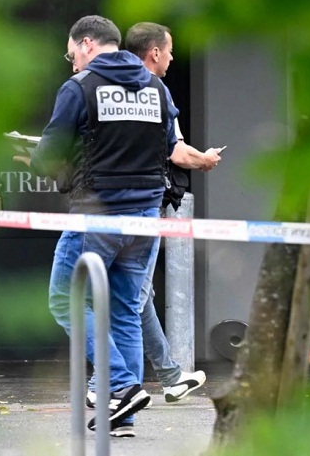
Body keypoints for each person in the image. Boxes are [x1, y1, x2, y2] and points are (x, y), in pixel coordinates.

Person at [18, 15, 200, 438]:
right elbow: (171, 149)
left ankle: (120, 383)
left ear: (85, 44)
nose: (71, 63)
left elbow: (48, 158)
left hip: (96, 216)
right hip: (146, 218)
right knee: (124, 311)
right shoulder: (158, 89)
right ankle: (124, 417)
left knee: (65, 300)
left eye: (71, 55)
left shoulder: (79, 89)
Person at [85, 22, 222, 409]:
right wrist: (206, 160)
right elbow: (175, 151)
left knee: (134, 296)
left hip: (105, 206)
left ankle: (169, 375)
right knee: (126, 296)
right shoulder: (154, 91)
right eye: (171, 50)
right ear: (155, 53)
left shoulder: (97, 88)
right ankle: (105, 381)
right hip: (141, 207)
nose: (173, 58)